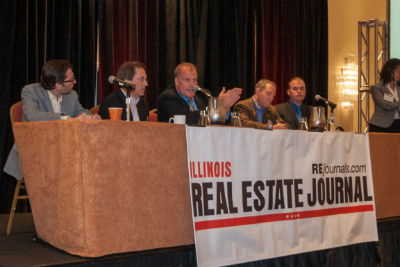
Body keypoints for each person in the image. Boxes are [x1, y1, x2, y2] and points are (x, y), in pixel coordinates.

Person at [4, 59, 100, 180]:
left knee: (93, 158)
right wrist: (66, 118)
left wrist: (91, 117)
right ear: (58, 84)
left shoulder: (71, 95)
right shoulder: (30, 91)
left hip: (64, 150)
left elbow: (80, 112)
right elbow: (33, 116)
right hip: (35, 151)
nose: (75, 82)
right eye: (71, 80)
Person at [157, 62, 242, 124]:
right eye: (187, 80)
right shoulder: (167, 98)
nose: (192, 84)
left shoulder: (203, 96)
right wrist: (219, 107)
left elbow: (219, 124)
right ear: (177, 81)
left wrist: (225, 111)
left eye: (194, 80)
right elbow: (188, 119)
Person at [368, 58, 400, 133]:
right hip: (381, 126)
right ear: (389, 71)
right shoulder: (377, 88)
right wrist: (398, 103)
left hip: (397, 125)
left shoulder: (398, 88)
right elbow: (384, 104)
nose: (399, 74)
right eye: (398, 72)